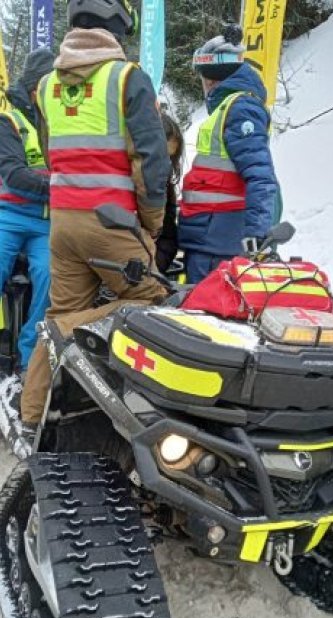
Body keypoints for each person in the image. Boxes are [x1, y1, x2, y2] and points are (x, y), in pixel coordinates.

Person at [20, 0, 170, 434]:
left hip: (63, 223)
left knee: (61, 312)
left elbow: (54, 156)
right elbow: (151, 162)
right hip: (113, 223)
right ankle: (138, 420)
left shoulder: (47, 85)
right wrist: (152, 222)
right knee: (152, 301)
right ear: (115, 30)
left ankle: (34, 415)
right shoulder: (127, 78)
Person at [179, 28, 279, 283]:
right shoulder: (228, 108)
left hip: (219, 242)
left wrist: (256, 236)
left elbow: (261, 176)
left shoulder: (240, 109)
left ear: (211, 79)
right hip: (208, 236)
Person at [0, 49, 55, 373]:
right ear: (36, 88)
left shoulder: (61, 121)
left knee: (51, 276)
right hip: (8, 215)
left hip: (47, 221)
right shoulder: (9, 121)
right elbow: (14, 175)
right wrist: (61, 186)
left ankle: (28, 356)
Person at [156, 111, 183, 274]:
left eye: (170, 158)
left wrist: (153, 267)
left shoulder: (166, 187)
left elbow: (168, 238)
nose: (165, 165)